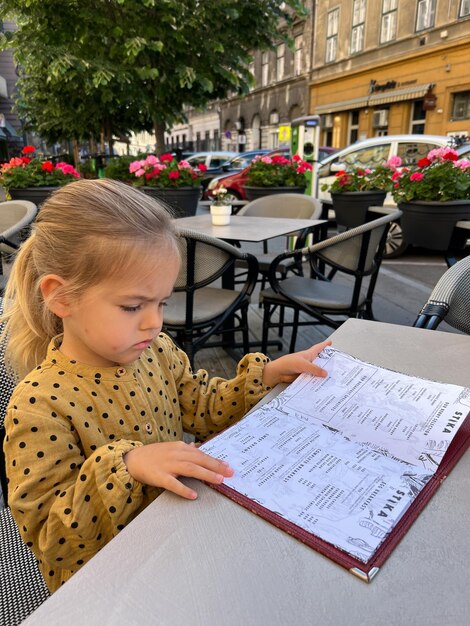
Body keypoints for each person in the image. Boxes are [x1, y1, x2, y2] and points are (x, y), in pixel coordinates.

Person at [1, 178, 331, 593]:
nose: (154, 322)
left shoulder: (154, 350)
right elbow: (51, 539)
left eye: (162, 303)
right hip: (109, 585)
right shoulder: (38, 406)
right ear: (61, 297)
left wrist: (263, 377)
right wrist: (126, 466)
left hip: (179, 539)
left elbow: (203, 406)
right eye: (133, 306)